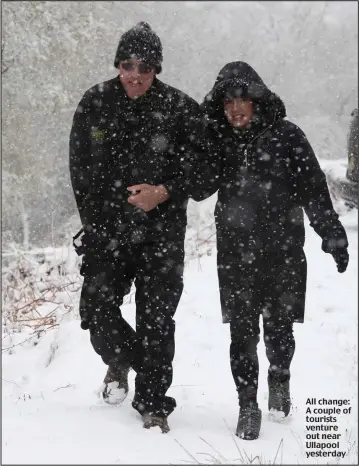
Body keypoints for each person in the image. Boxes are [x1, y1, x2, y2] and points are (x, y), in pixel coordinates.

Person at [190, 62, 349, 440]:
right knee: (242, 335)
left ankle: (280, 376)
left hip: (283, 250)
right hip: (234, 253)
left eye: (242, 99)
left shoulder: (288, 136)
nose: (235, 108)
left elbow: (314, 189)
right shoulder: (219, 140)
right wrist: (203, 136)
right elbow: (198, 188)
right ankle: (247, 405)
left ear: (257, 99)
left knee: (279, 330)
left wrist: (331, 234)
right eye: (227, 101)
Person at [69, 22, 205, 433]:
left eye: (145, 65)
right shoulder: (95, 102)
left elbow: (203, 173)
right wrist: (95, 223)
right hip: (107, 233)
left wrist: (162, 192)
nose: (136, 73)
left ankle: (152, 403)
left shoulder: (181, 109)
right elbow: (79, 171)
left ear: (157, 68)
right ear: (118, 64)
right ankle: (125, 359)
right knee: (95, 312)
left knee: (157, 322)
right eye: (128, 64)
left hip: (160, 237)